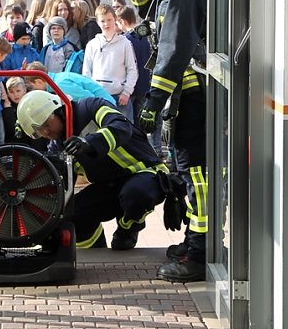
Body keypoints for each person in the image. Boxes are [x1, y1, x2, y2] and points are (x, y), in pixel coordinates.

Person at [127, 0, 208, 283]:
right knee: (186, 171)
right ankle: (196, 242)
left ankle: (198, 252)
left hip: (187, 95)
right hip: (186, 94)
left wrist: (154, 99)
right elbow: (157, 21)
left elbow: (173, 46)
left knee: (195, 175)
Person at [15, 90, 184, 250]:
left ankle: (128, 229)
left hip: (144, 173)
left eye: (46, 123)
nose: (45, 131)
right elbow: (62, 189)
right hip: (109, 186)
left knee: (136, 194)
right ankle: (96, 251)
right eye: (39, 131)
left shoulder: (90, 107)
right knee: (71, 217)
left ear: (57, 109)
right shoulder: (57, 146)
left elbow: (121, 127)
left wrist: (89, 143)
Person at [82, 4, 138, 121]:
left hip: (119, 98)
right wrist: (90, 93)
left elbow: (132, 69)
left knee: (125, 133)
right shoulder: (92, 45)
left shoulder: (125, 43)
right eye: (102, 21)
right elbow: (86, 72)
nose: (106, 24)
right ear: (97, 22)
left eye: (109, 20)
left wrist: (126, 92)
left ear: (115, 20)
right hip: (98, 97)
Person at [24, 61, 115, 105]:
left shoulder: (60, 85)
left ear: (38, 81)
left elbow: (89, 100)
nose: (34, 89)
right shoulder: (58, 79)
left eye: (33, 86)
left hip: (107, 108)